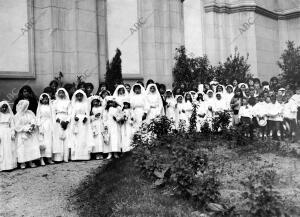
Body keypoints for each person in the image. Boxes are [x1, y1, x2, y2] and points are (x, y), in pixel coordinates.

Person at [14, 100, 41, 169]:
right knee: (22, 148)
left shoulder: (30, 113)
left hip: (30, 132)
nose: (25, 107)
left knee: (30, 147)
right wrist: (25, 129)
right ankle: (23, 162)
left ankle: (30, 161)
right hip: (22, 133)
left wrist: (31, 127)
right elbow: (17, 126)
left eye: (26, 106)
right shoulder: (17, 115)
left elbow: (33, 120)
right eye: (24, 106)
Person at [69, 90, 93, 161]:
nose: (79, 97)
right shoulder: (74, 104)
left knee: (84, 136)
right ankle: (76, 156)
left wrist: (86, 118)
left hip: (83, 122)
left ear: (83, 96)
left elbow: (87, 113)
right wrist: (74, 118)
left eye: (80, 96)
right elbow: (72, 113)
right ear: (76, 97)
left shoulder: (85, 104)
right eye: (78, 96)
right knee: (76, 137)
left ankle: (85, 155)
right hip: (76, 122)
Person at [52, 88, 71, 162]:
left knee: (66, 137)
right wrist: (58, 120)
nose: (61, 94)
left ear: (65, 93)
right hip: (58, 118)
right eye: (59, 93)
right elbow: (54, 113)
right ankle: (58, 158)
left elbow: (70, 112)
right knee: (59, 138)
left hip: (66, 117)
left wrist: (67, 121)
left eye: (62, 92)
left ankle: (66, 157)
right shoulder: (55, 102)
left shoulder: (68, 102)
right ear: (57, 94)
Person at [36, 93, 54, 165]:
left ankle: (49, 158)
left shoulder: (50, 107)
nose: (45, 100)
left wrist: (53, 125)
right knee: (42, 142)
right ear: (41, 100)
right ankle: (42, 159)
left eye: (47, 99)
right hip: (42, 125)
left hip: (49, 124)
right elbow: (38, 117)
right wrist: (40, 126)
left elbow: (53, 116)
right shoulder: (40, 107)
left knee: (49, 141)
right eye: (44, 99)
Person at [0, 101, 17, 171]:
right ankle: (1, 166)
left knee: (8, 148)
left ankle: (8, 165)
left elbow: (12, 125)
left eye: (5, 107)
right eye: (2, 107)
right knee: (1, 149)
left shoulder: (9, 115)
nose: (4, 109)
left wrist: (12, 133)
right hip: (0, 132)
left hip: (7, 133)